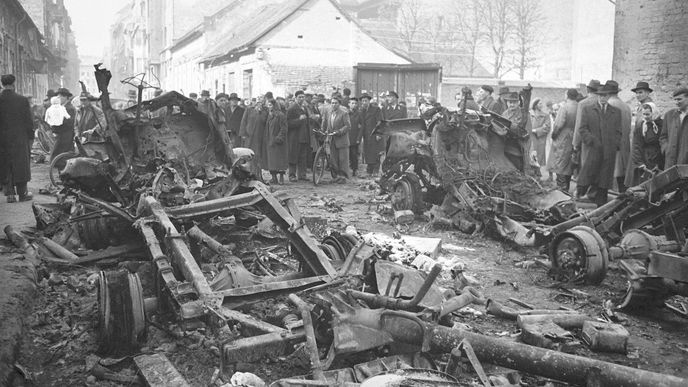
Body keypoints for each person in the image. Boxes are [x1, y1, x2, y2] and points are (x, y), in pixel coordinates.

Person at [577, 81, 623, 207]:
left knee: (604, 178)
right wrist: (591, 140)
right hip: (593, 149)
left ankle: (600, 205)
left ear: (609, 96)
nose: (603, 98)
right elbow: (582, 129)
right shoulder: (588, 110)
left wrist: (615, 144)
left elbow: (619, 131)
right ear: (597, 96)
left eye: (605, 95)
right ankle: (578, 199)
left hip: (609, 151)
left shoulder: (616, 112)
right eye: (601, 95)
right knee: (588, 174)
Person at [0, 74, 35, 202]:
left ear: (2, 84)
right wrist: (30, 137)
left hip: (2, 139)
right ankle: (22, 193)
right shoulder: (22, 100)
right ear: (14, 83)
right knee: (21, 164)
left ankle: (9, 194)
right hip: (19, 137)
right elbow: (28, 121)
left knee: (5, 163)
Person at [572, 79, 601, 197]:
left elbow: (579, 126)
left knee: (585, 167)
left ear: (588, 90)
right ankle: (593, 192)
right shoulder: (602, 102)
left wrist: (575, 144)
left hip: (586, 142)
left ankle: (582, 193)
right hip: (600, 141)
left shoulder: (583, 103)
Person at [548, 89, 579, 192]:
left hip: (564, 137)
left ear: (567, 96)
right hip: (575, 136)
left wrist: (554, 135)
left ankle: (561, 189)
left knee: (560, 162)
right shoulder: (579, 106)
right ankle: (567, 187)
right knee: (569, 163)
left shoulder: (564, 107)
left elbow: (558, 124)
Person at [605, 81, 632, 192]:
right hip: (624, 144)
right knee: (622, 172)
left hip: (612, 145)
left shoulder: (608, 105)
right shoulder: (626, 106)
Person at [629, 102, 663, 185]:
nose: (645, 117)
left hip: (659, 158)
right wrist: (640, 163)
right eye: (643, 114)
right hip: (646, 158)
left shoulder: (661, 124)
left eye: (648, 114)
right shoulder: (641, 126)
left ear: (654, 113)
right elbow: (636, 145)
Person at [322, 96, 351, 182]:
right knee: (333, 158)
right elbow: (328, 125)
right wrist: (325, 132)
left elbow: (348, 126)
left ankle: (343, 177)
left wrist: (339, 131)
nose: (334, 105)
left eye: (336, 103)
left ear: (339, 104)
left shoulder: (344, 113)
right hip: (332, 139)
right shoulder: (329, 113)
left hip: (342, 140)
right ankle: (336, 176)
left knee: (342, 159)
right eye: (332, 103)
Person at [501, 91, 532, 173]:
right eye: (509, 102)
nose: (511, 104)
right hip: (506, 145)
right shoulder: (505, 114)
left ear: (518, 102)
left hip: (518, 146)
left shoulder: (524, 114)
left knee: (518, 168)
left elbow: (527, 132)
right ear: (507, 103)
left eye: (514, 102)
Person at [239, 94, 268, 180]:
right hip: (249, 136)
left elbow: (265, 122)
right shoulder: (249, 109)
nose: (259, 101)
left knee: (258, 156)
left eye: (261, 100)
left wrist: (260, 112)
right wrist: (243, 134)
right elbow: (244, 121)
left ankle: (258, 175)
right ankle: (247, 174)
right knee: (248, 155)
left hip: (260, 137)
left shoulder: (265, 111)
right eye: (258, 99)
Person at [660, 87, 688, 169]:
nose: (677, 102)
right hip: (670, 162)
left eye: (679, 99)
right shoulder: (669, 115)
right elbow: (663, 137)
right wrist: (666, 149)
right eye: (675, 100)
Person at [286, 90, 311, 182]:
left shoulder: (304, 108)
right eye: (299, 97)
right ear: (295, 98)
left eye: (302, 97)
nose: (301, 99)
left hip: (303, 136)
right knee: (293, 156)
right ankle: (292, 175)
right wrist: (298, 120)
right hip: (294, 137)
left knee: (303, 156)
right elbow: (287, 123)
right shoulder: (291, 108)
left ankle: (302, 175)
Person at [50, 87, 77, 170]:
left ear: (67, 97)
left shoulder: (69, 108)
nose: (59, 98)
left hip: (66, 135)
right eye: (58, 96)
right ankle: (62, 175)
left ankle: (65, 175)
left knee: (62, 156)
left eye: (61, 96)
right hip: (62, 134)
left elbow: (68, 123)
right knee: (59, 156)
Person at [265, 98, 288, 184]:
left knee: (280, 160)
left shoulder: (280, 115)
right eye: (268, 105)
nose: (268, 107)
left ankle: (281, 178)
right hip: (270, 141)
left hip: (278, 142)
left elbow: (284, 128)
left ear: (274, 106)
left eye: (270, 105)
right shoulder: (269, 115)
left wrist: (279, 138)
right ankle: (274, 177)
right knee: (272, 161)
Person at [360, 93, 383, 177]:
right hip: (366, 135)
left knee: (376, 152)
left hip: (374, 134)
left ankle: (376, 169)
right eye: (363, 101)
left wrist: (378, 133)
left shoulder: (376, 109)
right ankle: (369, 169)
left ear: (369, 101)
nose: (364, 102)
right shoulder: (361, 111)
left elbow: (379, 122)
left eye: (366, 101)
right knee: (368, 152)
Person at [530, 98, 551, 172]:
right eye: (540, 103)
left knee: (539, 157)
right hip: (530, 139)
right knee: (531, 156)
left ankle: (538, 173)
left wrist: (536, 130)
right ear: (535, 105)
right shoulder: (529, 114)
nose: (542, 105)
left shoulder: (545, 115)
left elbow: (547, 127)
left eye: (542, 103)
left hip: (540, 139)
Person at [347, 97, 363, 177]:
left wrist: (358, 138)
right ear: (349, 104)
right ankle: (346, 169)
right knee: (346, 155)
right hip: (346, 137)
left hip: (354, 138)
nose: (354, 105)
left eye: (355, 103)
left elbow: (361, 127)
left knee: (354, 155)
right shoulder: (345, 113)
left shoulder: (359, 114)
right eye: (352, 103)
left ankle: (354, 169)